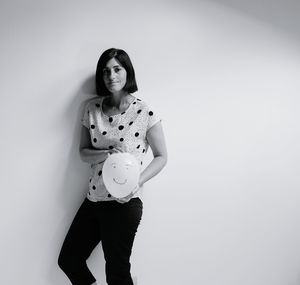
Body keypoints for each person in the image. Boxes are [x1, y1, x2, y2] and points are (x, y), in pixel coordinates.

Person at [58, 48, 168, 285]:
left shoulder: (145, 111)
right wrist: (106, 153)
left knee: (117, 275)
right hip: (94, 199)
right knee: (69, 260)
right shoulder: (91, 109)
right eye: (106, 71)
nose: (111, 75)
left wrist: (137, 181)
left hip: (124, 203)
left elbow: (161, 157)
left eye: (117, 69)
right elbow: (83, 153)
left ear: (127, 72)